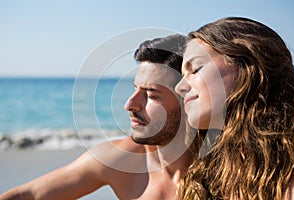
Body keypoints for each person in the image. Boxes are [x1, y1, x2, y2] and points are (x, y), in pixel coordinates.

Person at [0, 34, 196, 200]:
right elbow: (32, 194)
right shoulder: (123, 159)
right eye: (135, 89)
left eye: (151, 95)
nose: (130, 104)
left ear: (188, 100)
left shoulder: (221, 171)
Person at [175, 17, 294, 200]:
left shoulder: (293, 171)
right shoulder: (206, 175)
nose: (179, 87)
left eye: (195, 69)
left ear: (246, 66)